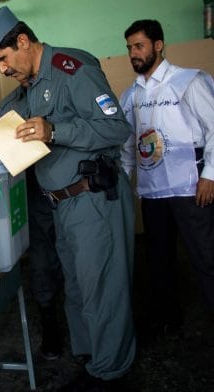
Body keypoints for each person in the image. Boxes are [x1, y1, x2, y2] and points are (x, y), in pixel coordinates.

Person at [0, 6, 135, 390]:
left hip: (93, 199)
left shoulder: (72, 69)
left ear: (23, 41)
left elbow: (116, 127)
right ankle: (91, 359)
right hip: (62, 204)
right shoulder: (31, 84)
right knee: (78, 291)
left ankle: (110, 373)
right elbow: (11, 119)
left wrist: (54, 130)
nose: (2, 69)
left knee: (102, 292)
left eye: (3, 58)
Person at [119, 19, 214, 335]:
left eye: (139, 45)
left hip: (191, 185)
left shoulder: (188, 81)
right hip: (154, 192)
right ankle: (168, 316)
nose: (133, 53)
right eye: (130, 47)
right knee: (159, 259)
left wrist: (210, 176)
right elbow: (128, 144)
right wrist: (123, 182)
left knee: (205, 255)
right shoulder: (131, 94)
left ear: (158, 45)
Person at [0, 82, 64, 361]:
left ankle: (87, 329)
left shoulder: (63, 88)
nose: (5, 68)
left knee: (76, 262)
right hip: (34, 194)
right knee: (41, 265)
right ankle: (51, 329)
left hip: (70, 191)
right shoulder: (11, 103)